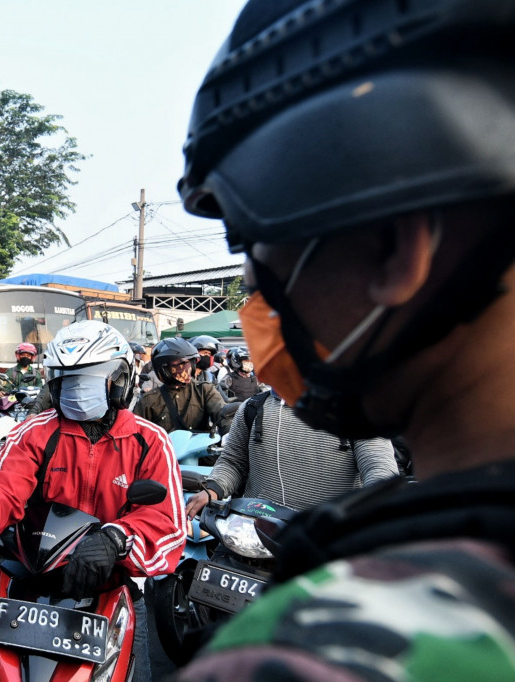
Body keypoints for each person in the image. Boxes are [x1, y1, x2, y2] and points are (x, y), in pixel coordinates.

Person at [174, 2, 515, 679]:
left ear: (394, 247)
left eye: (260, 250)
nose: (255, 296)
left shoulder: (315, 653)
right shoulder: (254, 411)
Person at [0, 321, 185, 682]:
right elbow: (1, 488)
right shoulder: (34, 432)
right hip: (28, 582)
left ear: (120, 379)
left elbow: (167, 523)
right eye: (68, 379)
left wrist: (116, 539)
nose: (77, 390)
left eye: (89, 379)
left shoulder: (150, 441)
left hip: (109, 585)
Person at [185, 390, 399, 519]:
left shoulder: (356, 412)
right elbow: (233, 462)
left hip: (326, 538)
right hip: (253, 530)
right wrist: (212, 490)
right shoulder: (253, 407)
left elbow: (379, 466)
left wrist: (374, 503)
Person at [135, 337, 230, 434]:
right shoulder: (150, 400)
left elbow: (222, 414)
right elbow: (136, 432)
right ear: (164, 368)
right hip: (165, 448)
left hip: (199, 448)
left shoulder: (204, 390)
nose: (185, 368)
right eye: (179, 363)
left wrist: (229, 433)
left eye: (188, 363)